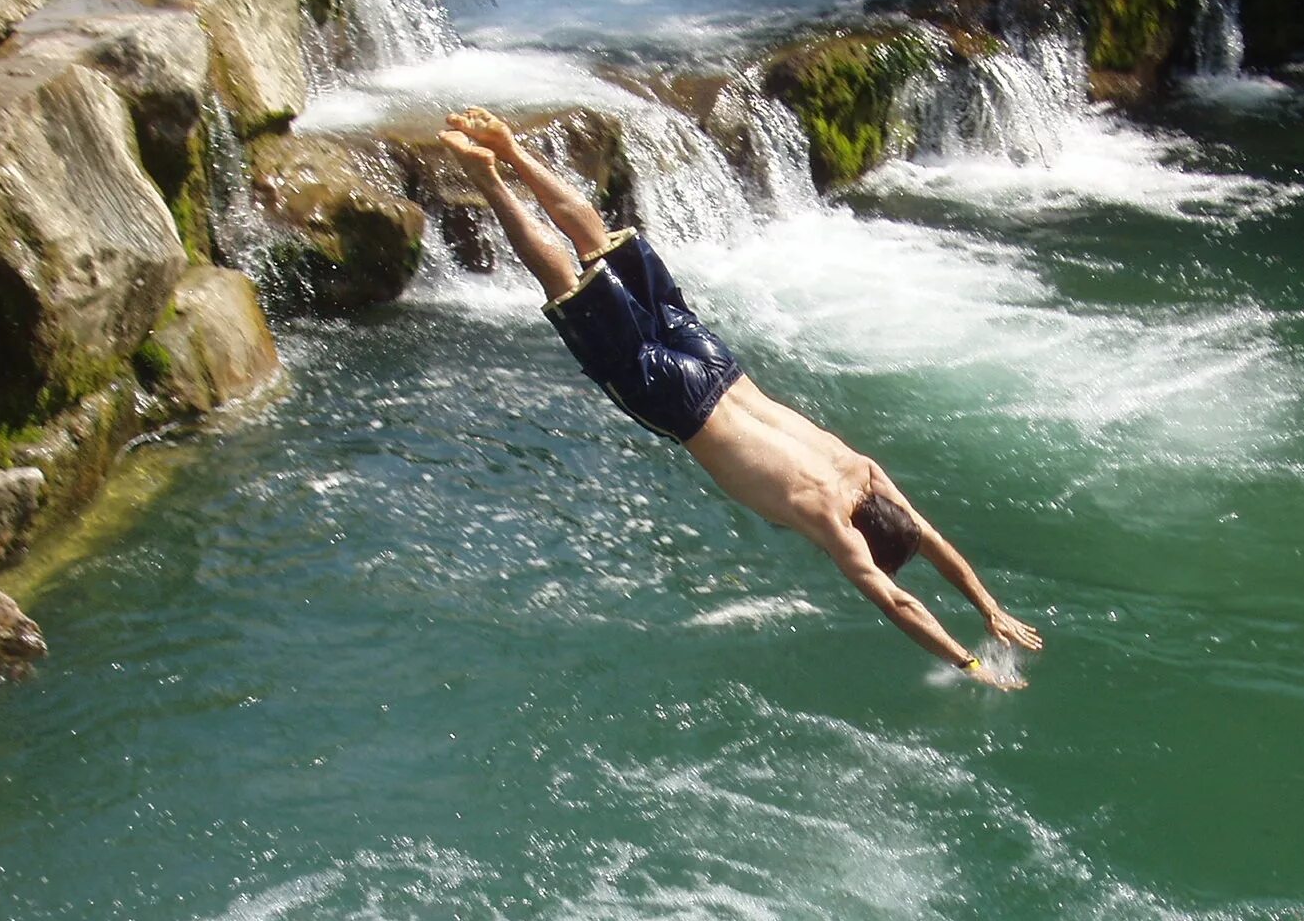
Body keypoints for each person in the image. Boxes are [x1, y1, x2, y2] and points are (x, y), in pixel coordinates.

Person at [438, 109, 1043, 687]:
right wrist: (970, 665)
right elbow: (898, 602)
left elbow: (932, 542)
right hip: (677, 402)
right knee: (571, 287)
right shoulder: (830, 520)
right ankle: (486, 175)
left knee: (600, 241)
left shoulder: (865, 472)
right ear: (865, 538)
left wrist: (989, 606)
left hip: (718, 364)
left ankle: (510, 148)